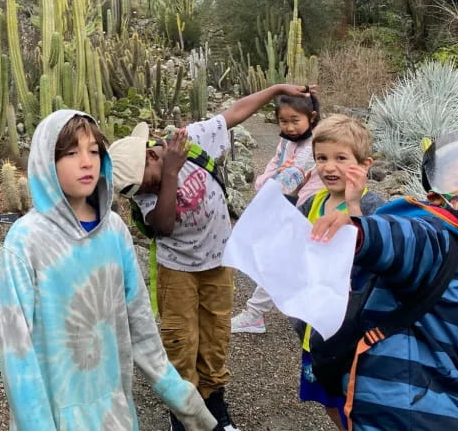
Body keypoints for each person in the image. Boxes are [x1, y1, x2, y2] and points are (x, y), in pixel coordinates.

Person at [109, 83, 315, 431]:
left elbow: (233, 114)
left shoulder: (187, 141)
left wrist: (277, 89)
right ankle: (184, 412)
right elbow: (163, 226)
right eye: (134, 191)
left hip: (219, 261)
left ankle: (215, 404)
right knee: (181, 339)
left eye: (142, 183)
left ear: (149, 156)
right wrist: (170, 173)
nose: (140, 192)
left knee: (216, 334)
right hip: (177, 271)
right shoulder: (145, 189)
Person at [0, 109, 218, 431]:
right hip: (55, 415)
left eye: (94, 151)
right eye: (71, 153)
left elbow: (140, 322)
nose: (86, 162)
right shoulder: (25, 242)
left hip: (114, 411)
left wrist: (183, 399)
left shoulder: (114, 231)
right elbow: (16, 349)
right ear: (47, 162)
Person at [311, 130, 458, 431]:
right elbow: (401, 239)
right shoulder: (436, 236)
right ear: (436, 197)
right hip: (398, 405)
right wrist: (360, 233)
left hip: (436, 405)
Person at [294, 114, 384, 429]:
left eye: (340, 158)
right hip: (315, 327)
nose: (329, 167)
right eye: (322, 158)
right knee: (327, 397)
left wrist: (354, 206)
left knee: (354, 400)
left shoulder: (374, 207)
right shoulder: (312, 204)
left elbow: (374, 250)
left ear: (365, 163)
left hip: (354, 328)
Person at [232, 93, 324, 335]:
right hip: (295, 208)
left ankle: (255, 313)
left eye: (295, 120)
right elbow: (274, 169)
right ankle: (257, 313)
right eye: (284, 121)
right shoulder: (286, 142)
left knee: (282, 260)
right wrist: (269, 180)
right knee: (285, 259)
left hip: (314, 207)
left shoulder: (316, 143)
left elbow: (292, 176)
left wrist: (274, 180)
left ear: (311, 117)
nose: (290, 127)